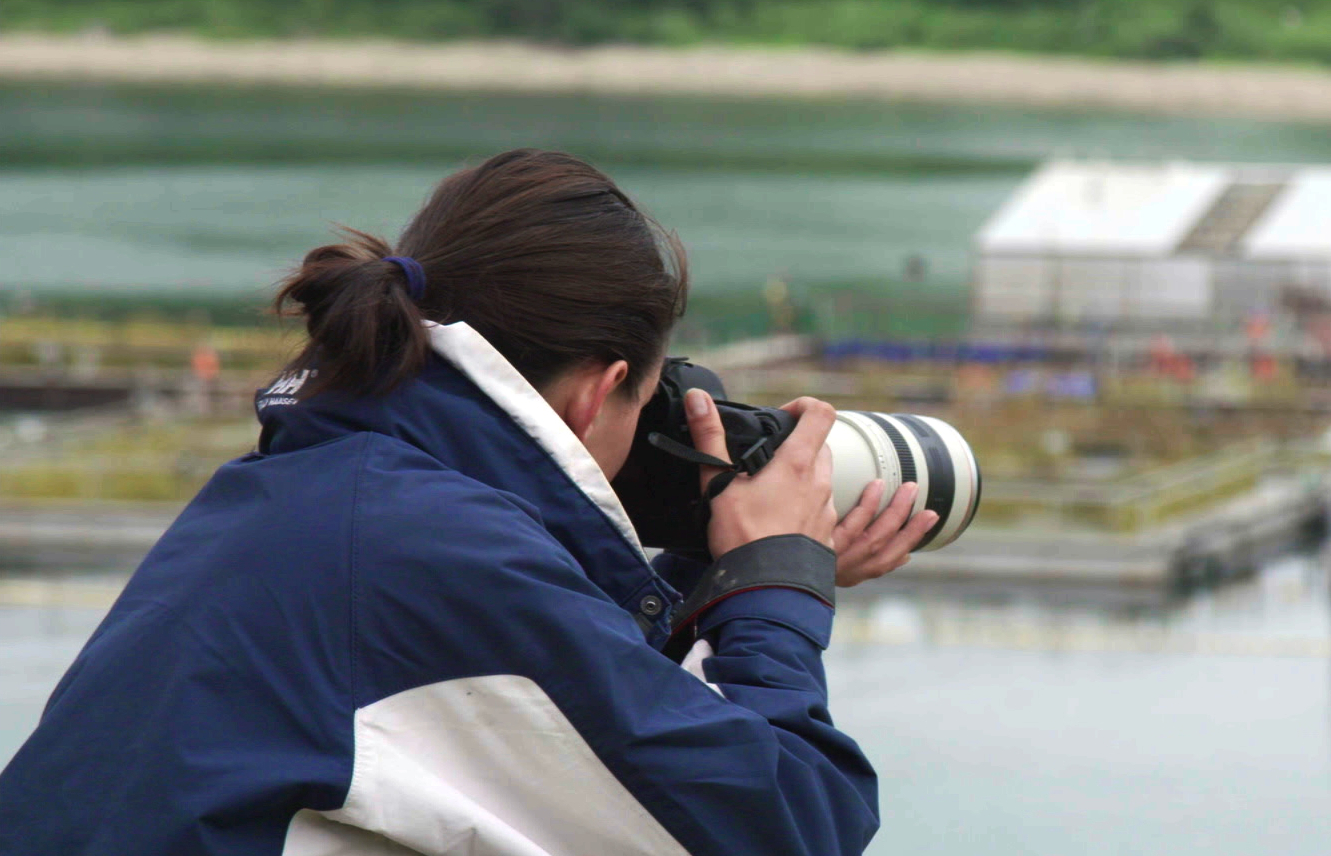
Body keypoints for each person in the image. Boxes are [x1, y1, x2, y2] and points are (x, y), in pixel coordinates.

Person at [0, 149, 939, 855]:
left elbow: (564, 722)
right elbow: (788, 823)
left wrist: (725, 578)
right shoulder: (435, 553)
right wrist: (776, 597)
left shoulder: (311, 494)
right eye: (647, 399)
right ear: (596, 389)